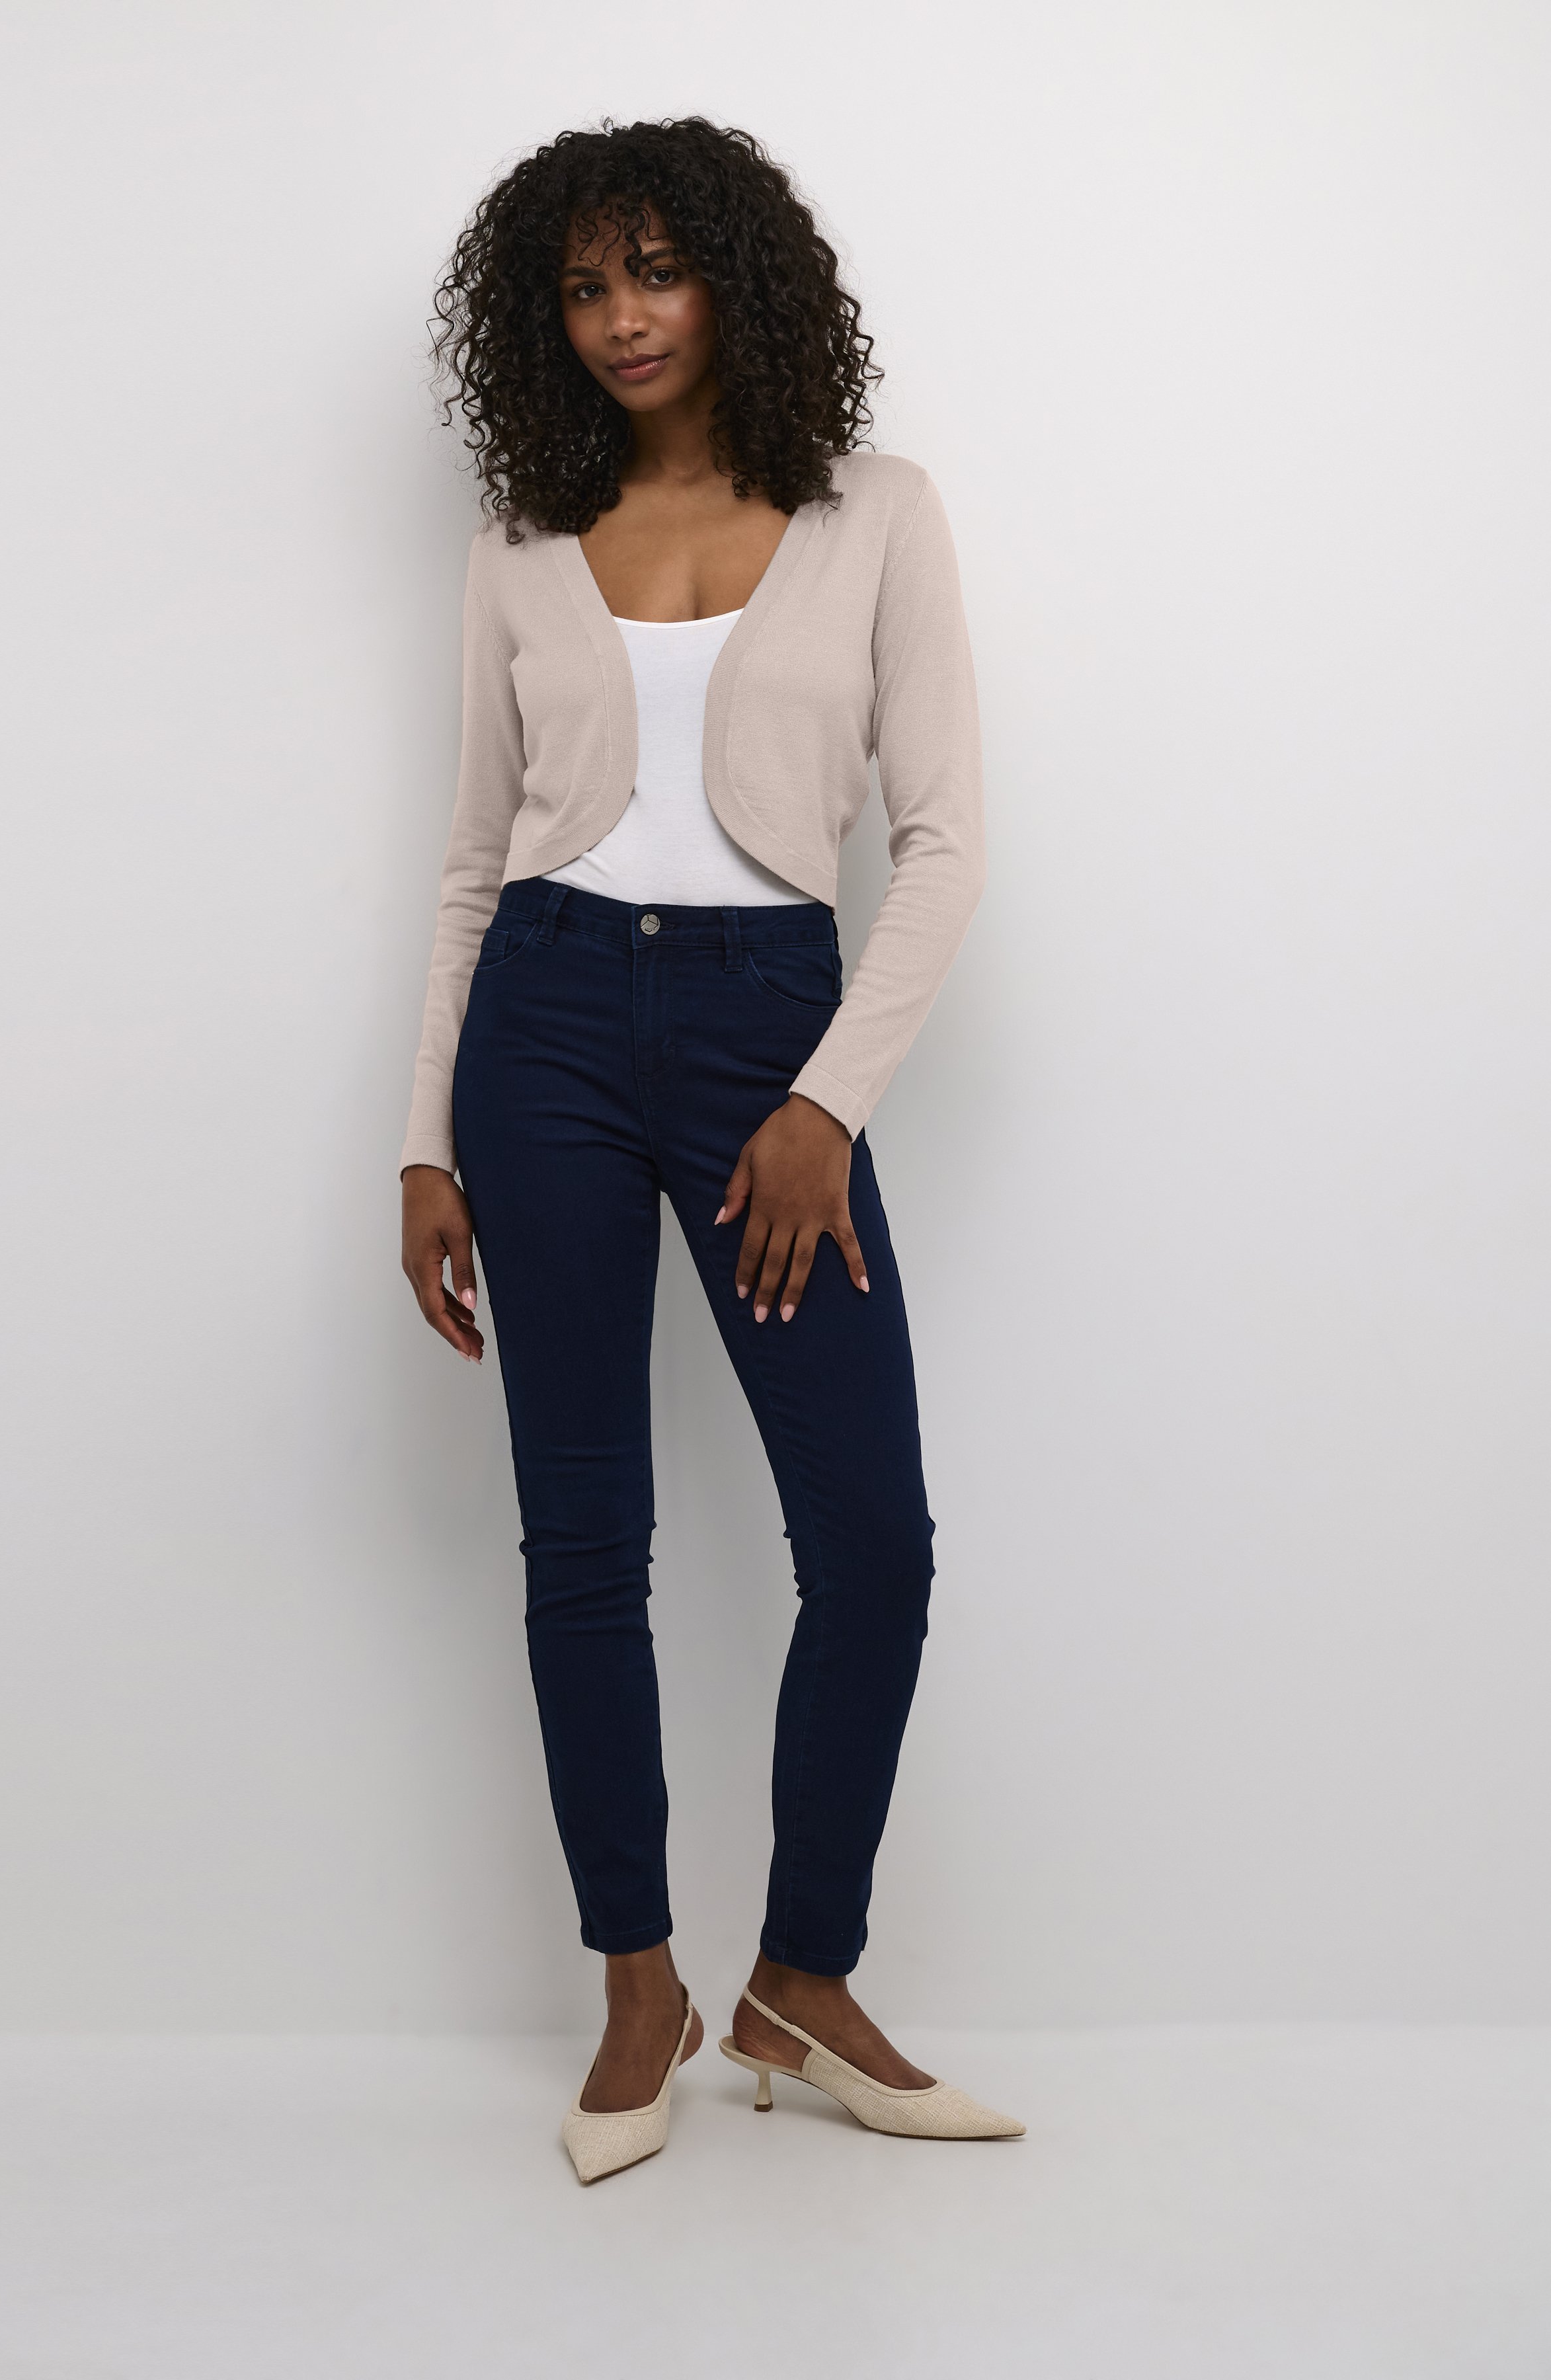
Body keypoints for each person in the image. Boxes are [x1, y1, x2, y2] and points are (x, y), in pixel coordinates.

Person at [401, 117, 1021, 2181]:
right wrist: (427, 1140)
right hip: (549, 1026)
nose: (622, 318)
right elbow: (474, 863)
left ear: (735, 278)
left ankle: (802, 1979)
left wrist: (825, 1102)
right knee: (586, 1540)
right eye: (583, 288)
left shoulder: (874, 513)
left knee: (874, 1542)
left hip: (772, 1028)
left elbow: (943, 842)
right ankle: (639, 1983)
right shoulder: (520, 540)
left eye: (655, 270)